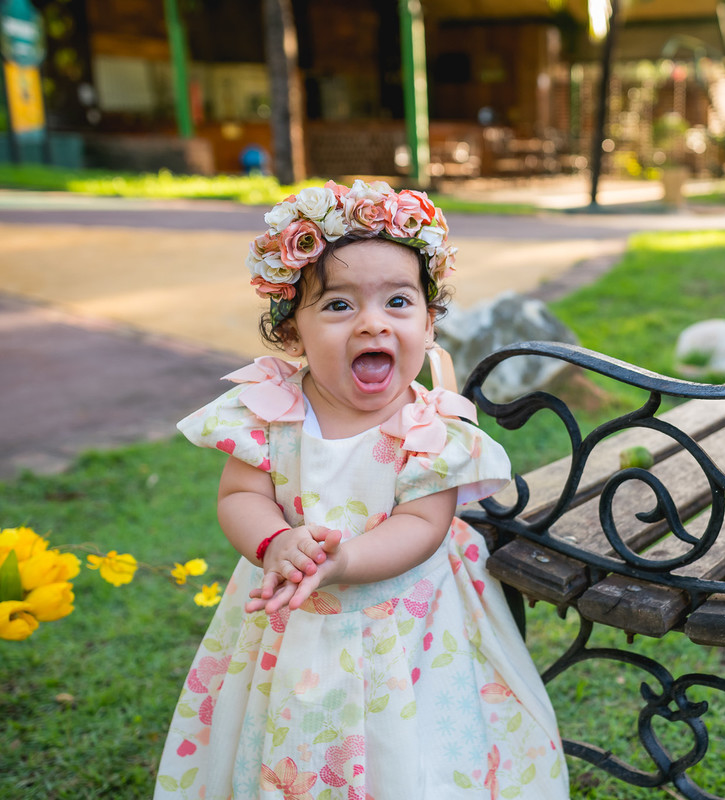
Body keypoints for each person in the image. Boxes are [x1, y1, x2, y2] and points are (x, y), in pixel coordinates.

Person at [155, 181, 569, 799]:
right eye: (338, 306)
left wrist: (345, 559)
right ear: (291, 333)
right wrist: (273, 543)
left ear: (428, 324)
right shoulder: (270, 412)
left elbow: (424, 525)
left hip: (407, 623)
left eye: (398, 302)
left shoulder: (430, 427)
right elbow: (240, 497)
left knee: (411, 741)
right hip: (290, 619)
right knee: (281, 728)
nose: (372, 322)